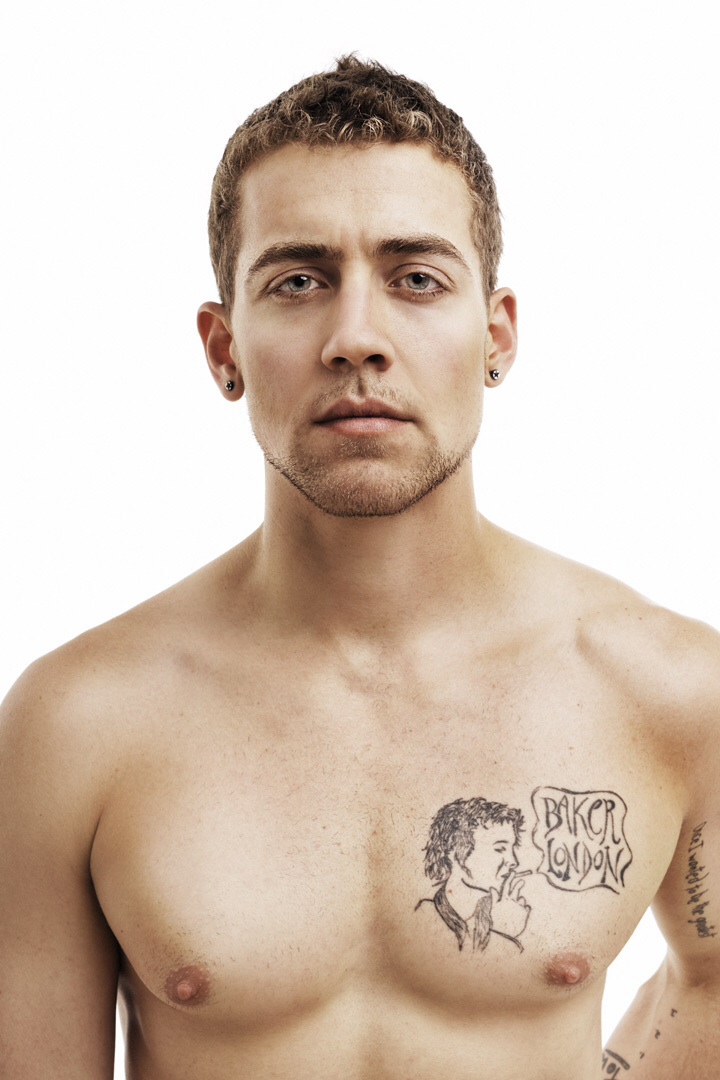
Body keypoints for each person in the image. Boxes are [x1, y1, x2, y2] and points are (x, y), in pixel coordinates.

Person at [1, 54, 718, 1080]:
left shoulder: (670, 690)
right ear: (223, 348)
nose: (356, 338)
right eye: (299, 281)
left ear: (497, 335)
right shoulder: (78, 723)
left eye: (416, 278)